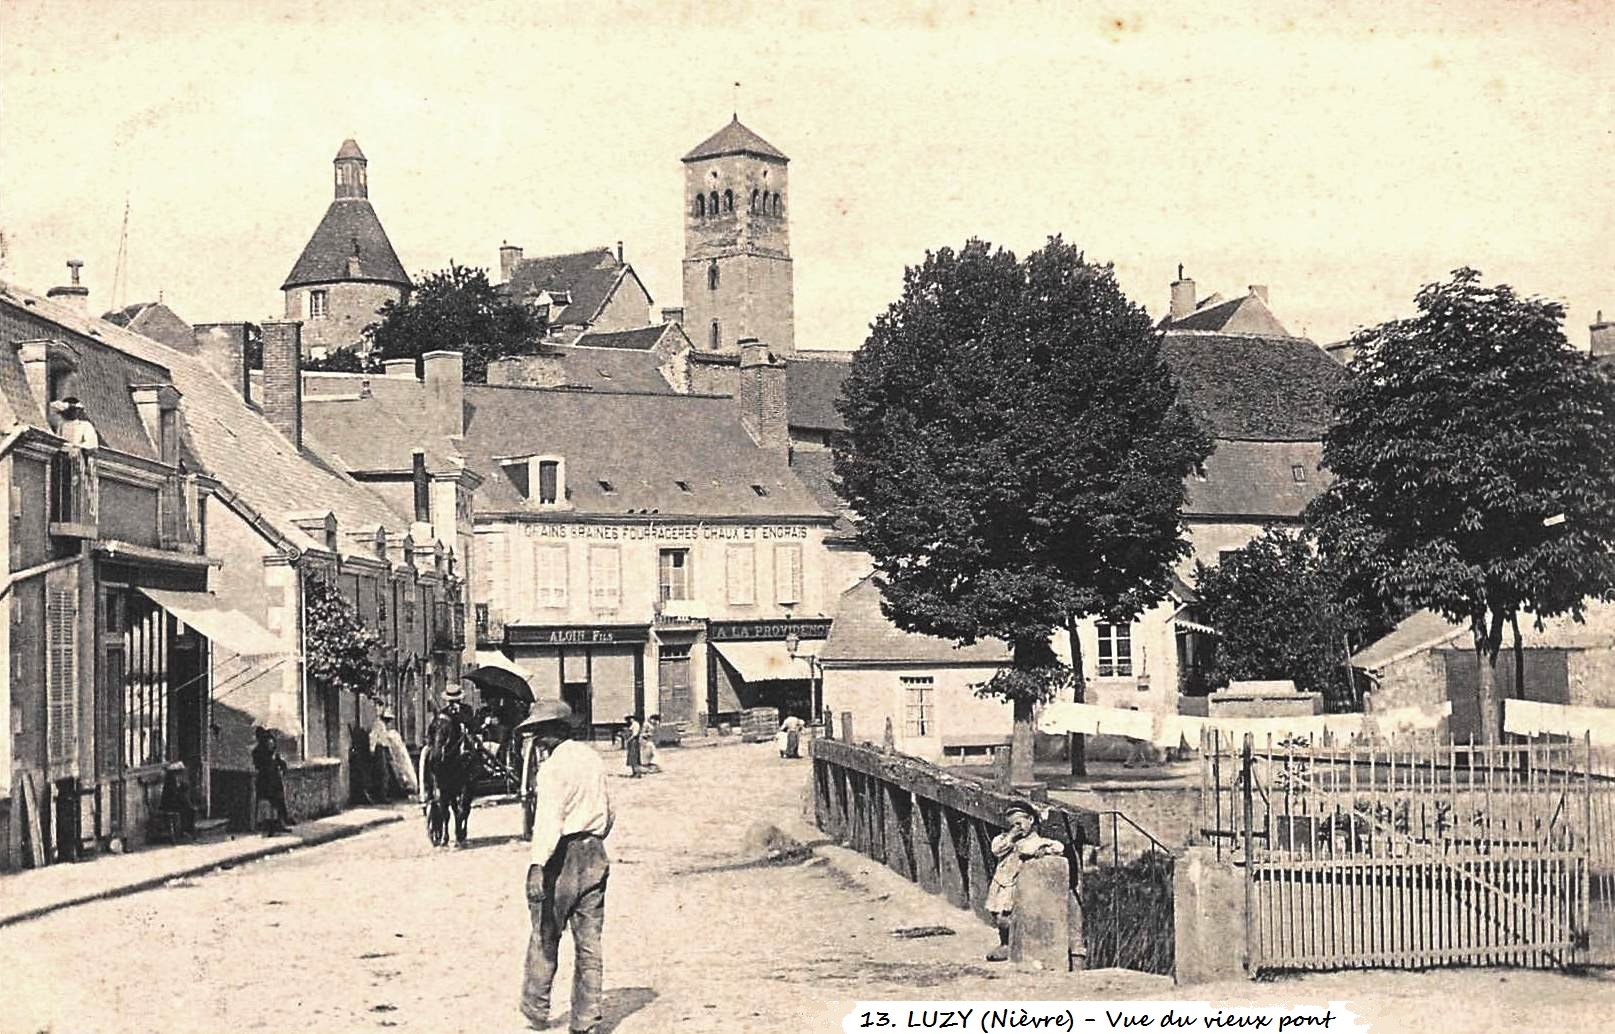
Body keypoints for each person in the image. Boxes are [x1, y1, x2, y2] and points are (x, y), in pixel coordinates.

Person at [520, 701, 613, 1034]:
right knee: (590, 942)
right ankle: (586, 1019)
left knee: (545, 935)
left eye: (541, 733)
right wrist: (594, 836)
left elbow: (548, 822)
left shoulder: (552, 769)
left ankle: (535, 1012)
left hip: (561, 857)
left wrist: (536, 865)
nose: (538, 741)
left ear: (558, 731)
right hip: (595, 853)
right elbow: (609, 810)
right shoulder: (592, 758)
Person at [984, 800, 1064, 962]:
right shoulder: (1007, 840)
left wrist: (1044, 850)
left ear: (1031, 820)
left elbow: (1058, 847)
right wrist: (1011, 836)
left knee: (1006, 916)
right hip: (1001, 881)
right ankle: (1005, 942)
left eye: (1019, 824)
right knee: (996, 913)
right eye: (1012, 825)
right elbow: (996, 850)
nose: (1016, 828)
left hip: (1016, 883)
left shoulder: (1036, 842)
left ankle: (1011, 944)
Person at [50, 396, 100, 522]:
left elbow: (92, 444)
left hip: (79, 460)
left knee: (77, 486)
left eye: (74, 411)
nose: (71, 413)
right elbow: (58, 441)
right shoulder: (62, 425)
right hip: (64, 460)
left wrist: (78, 448)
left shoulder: (85, 425)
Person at [251, 727, 294, 833]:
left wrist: (282, 765)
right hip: (266, 780)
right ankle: (271, 824)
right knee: (272, 802)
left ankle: (279, 823)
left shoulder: (272, 752)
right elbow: (259, 765)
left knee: (278, 801)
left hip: (273, 779)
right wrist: (271, 757)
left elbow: (281, 763)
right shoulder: (259, 752)